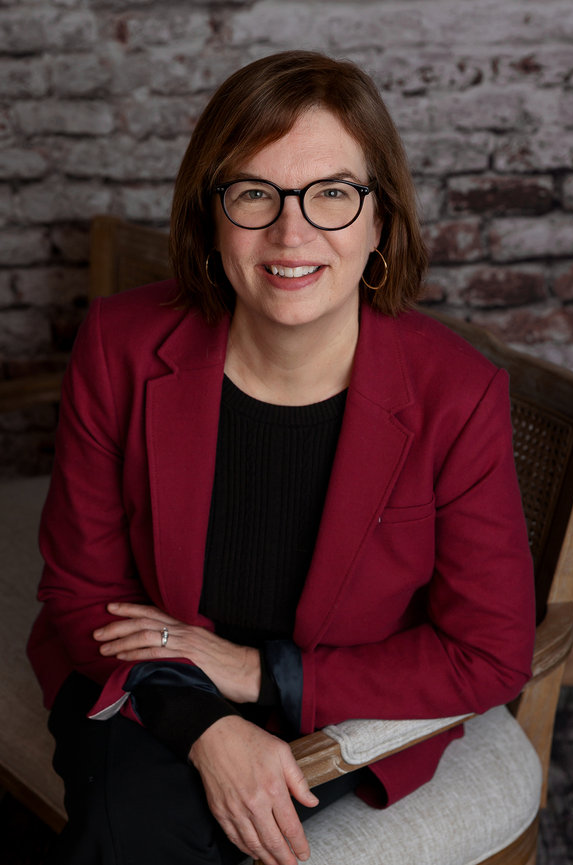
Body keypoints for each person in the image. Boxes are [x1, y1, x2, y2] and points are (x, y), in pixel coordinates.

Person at [28, 50, 535, 865]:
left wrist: (264, 677)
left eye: (332, 194)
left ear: (381, 222)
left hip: (331, 701)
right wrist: (205, 723)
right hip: (144, 678)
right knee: (138, 824)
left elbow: (489, 651)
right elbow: (82, 587)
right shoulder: (121, 343)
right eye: (255, 194)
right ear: (210, 217)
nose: (291, 232)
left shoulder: (457, 395)